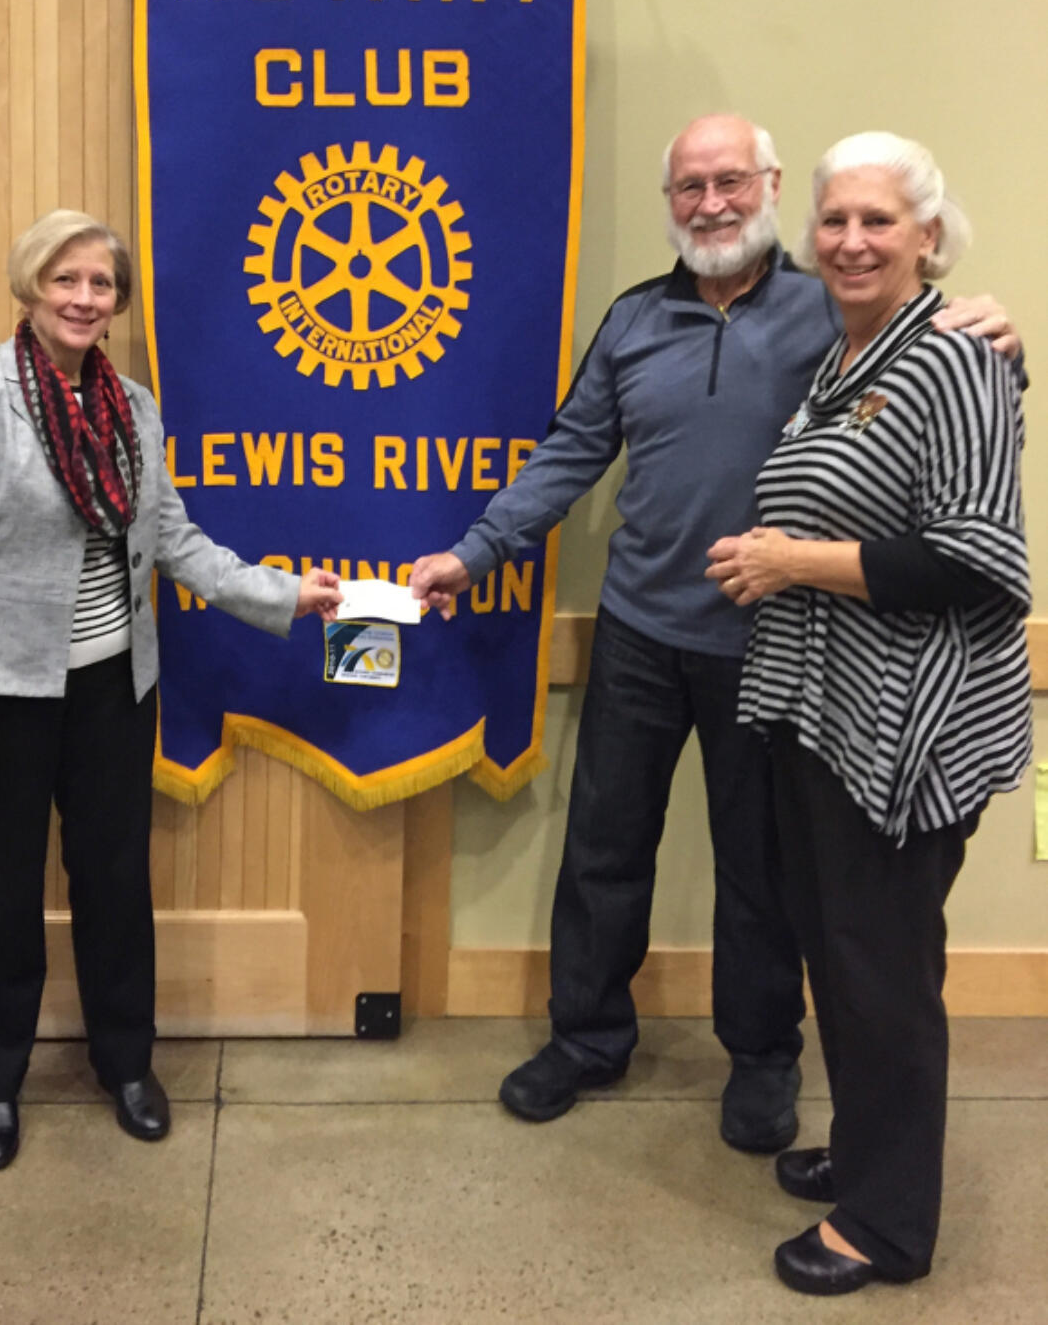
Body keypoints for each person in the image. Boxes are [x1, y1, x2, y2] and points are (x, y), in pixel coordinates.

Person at [408, 114, 1019, 1153]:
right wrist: (474, 550)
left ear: (770, 186)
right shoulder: (633, 319)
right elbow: (569, 452)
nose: (709, 204)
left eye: (729, 181)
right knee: (603, 849)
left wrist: (1002, 334)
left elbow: (940, 393)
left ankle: (761, 1057)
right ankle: (588, 1037)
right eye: (687, 188)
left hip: (774, 645)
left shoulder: (834, 305)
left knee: (759, 871)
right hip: (639, 633)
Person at [0, 209, 343, 1172]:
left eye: (102, 285)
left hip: (110, 688)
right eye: (67, 280)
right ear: (29, 286)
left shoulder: (130, 405)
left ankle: (125, 1065)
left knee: (115, 882)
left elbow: (171, 539)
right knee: (1, 892)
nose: (86, 299)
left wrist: (285, 594)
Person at [706, 133, 1030, 1294]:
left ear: (926, 237)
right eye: (834, 220)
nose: (849, 239)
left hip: (905, 733)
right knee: (839, 955)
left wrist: (790, 558)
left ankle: (886, 1225)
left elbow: (977, 558)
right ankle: (863, 1150)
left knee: (877, 967)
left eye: (876, 221)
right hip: (825, 715)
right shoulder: (847, 359)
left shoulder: (953, 357)